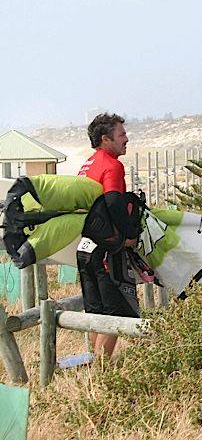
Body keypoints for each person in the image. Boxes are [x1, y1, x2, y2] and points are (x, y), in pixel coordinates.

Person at [76, 112, 140, 357]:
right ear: (105, 139)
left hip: (85, 248)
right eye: (121, 135)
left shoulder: (88, 164)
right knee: (114, 313)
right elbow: (113, 201)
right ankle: (103, 373)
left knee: (95, 311)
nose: (126, 139)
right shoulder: (112, 165)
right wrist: (128, 235)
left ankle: (94, 368)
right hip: (106, 250)